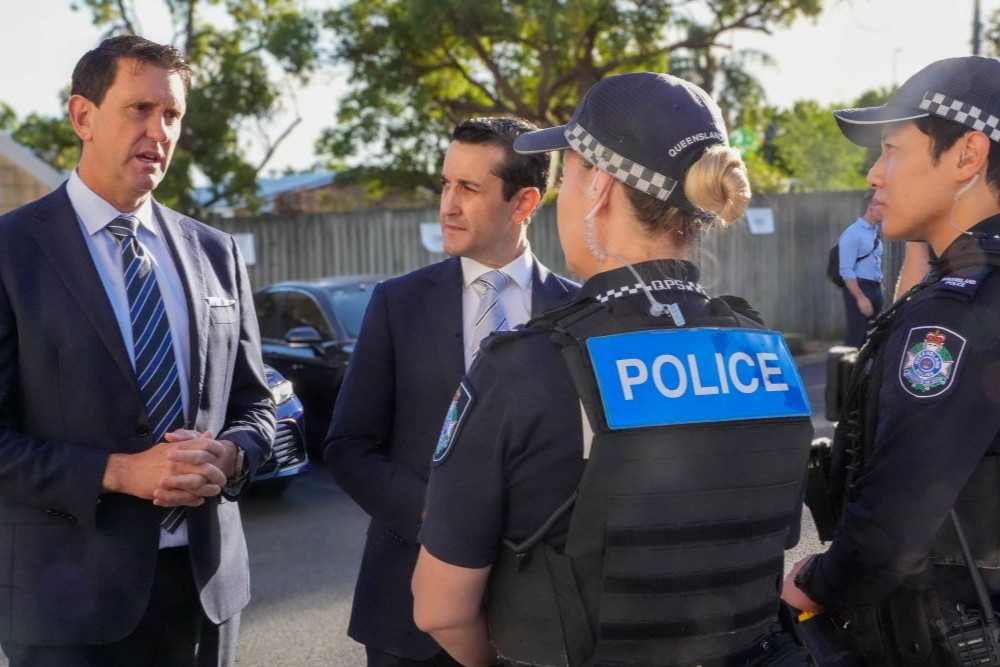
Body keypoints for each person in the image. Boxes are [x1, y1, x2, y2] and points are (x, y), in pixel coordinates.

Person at [411, 72, 814, 666]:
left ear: (598, 187)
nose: (560, 198)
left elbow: (440, 608)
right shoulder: (765, 356)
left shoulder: (520, 368)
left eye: (567, 175)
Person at [0, 35, 275, 665]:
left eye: (172, 115)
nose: (158, 131)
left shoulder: (215, 252)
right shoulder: (12, 251)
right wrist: (121, 472)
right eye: (139, 110)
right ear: (83, 117)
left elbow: (263, 404)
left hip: (206, 594)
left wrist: (232, 454)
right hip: (66, 606)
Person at [324, 116, 578, 667]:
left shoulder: (579, 313)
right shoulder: (398, 304)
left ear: (524, 202)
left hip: (545, 616)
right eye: (445, 184)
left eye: (469, 188)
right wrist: (436, 516)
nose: (448, 205)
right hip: (408, 616)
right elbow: (347, 446)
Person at [782, 56, 1000, 665]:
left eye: (892, 149)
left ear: (968, 154)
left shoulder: (959, 314)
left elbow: (897, 521)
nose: (876, 174)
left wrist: (817, 582)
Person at [838, 199, 884, 346]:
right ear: (871, 208)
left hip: (874, 287)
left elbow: (873, 260)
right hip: (859, 288)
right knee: (856, 337)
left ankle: (867, 370)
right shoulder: (852, 233)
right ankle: (848, 369)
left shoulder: (874, 232)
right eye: (881, 207)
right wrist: (861, 298)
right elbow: (846, 270)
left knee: (872, 337)